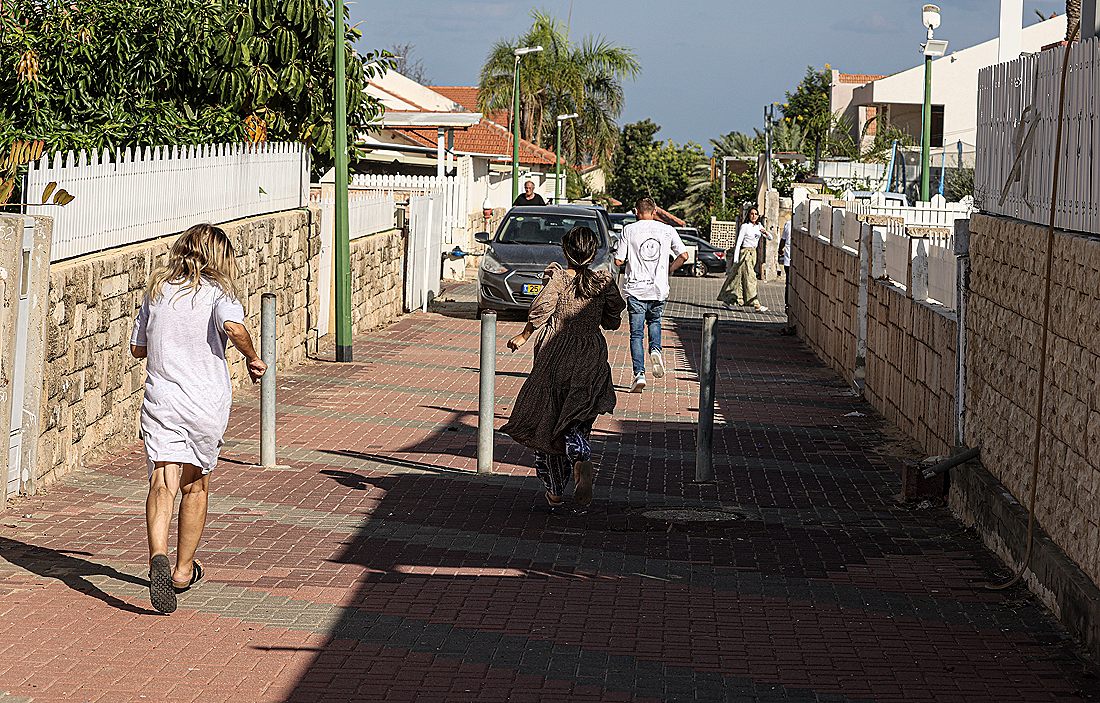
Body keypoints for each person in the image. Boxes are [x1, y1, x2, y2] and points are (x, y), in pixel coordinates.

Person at [130, 224, 266, 614]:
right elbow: (233, 327)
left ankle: (158, 554)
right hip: (205, 404)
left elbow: (138, 349)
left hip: (163, 400)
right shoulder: (219, 292)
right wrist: (252, 356)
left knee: (163, 482)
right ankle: (182, 571)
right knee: (195, 487)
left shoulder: (157, 290)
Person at [501, 226, 626, 508]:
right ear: (593, 253)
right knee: (577, 416)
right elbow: (613, 316)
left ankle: (555, 489)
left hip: (556, 355)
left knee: (547, 421)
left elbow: (541, 310)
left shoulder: (559, 279)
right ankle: (580, 457)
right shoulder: (602, 282)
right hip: (590, 356)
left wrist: (523, 335)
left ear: (565, 251)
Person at [614, 197, 689, 393]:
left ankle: (639, 374)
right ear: (654, 211)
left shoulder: (629, 230)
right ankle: (656, 349)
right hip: (658, 288)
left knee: (636, 334)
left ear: (636, 211)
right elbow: (684, 255)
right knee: (655, 322)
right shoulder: (667, 230)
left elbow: (619, 260)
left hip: (636, 290)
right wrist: (669, 269)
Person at [717, 207, 771, 312]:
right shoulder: (745, 226)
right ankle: (755, 304)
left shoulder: (759, 226)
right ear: (748, 215)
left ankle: (728, 300)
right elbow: (738, 243)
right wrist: (736, 258)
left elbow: (770, 238)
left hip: (753, 254)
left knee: (737, 277)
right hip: (745, 253)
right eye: (751, 214)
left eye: (756, 214)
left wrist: (765, 232)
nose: (754, 216)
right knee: (750, 278)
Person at [778, 218, 792, 310]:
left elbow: (783, 240)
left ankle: (787, 304)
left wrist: (780, 249)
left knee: (788, 283)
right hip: (789, 258)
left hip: (787, 259)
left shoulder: (788, 223)